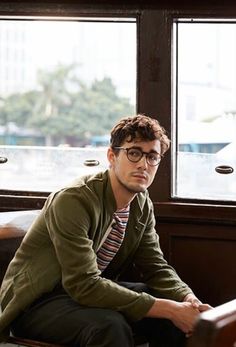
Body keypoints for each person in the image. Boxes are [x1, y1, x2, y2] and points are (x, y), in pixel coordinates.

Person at [0, 114, 211, 347]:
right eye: (134, 153)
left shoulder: (141, 203)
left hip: (83, 295)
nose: (143, 164)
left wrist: (186, 299)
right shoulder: (73, 199)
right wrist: (170, 309)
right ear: (112, 156)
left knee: (163, 303)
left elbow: (155, 266)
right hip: (37, 303)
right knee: (110, 325)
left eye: (152, 157)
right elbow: (82, 283)